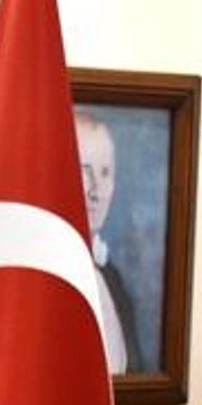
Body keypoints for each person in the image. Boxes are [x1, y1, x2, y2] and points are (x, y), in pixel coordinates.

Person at [74, 109, 144, 374]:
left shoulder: (113, 280)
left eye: (104, 173)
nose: (96, 190)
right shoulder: (40, 278)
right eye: (84, 171)